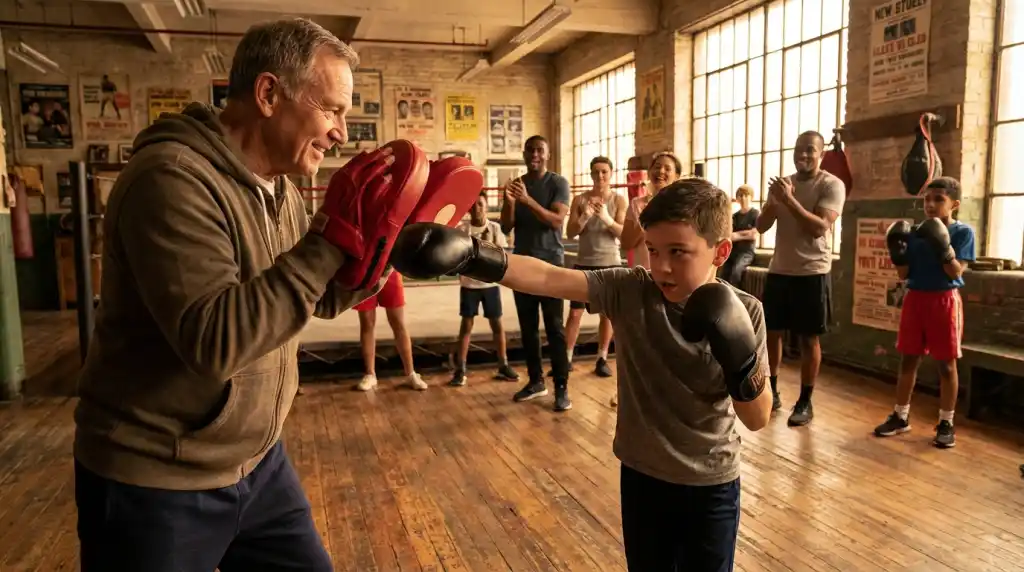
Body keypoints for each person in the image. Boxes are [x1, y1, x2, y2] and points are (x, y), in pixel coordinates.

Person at [71, 19, 399, 571]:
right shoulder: (171, 179)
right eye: (332, 110)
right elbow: (216, 341)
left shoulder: (281, 189)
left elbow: (313, 297)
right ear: (269, 94)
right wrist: (328, 240)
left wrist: (385, 251)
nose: (341, 131)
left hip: (257, 464)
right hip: (157, 477)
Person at [392, 179, 773, 571]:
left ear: (720, 252)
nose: (661, 266)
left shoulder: (748, 312)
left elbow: (757, 417)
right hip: (644, 477)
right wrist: (474, 255)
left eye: (678, 252)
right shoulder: (632, 289)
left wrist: (738, 351)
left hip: (712, 484)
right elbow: (547, 277)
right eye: (654, 250)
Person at [875, 177, 975, 448]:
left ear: (954, 204)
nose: (930, 205)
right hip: (915, 299)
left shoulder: (963, 233)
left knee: (946, 364)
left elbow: (956, 272)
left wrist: (942, 246)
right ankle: (900, 416)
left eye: (938, 200)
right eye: (927, 200)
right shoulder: (914, 233)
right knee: (908, 360)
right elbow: (904, 273)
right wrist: (898, 253)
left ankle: (946, 421)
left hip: (944, 301)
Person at [755, 130, 846, 425]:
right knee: (772, 334)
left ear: (821, 154)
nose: (803, 155)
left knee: (809, 339)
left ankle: (805, 401)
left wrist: (790, 200)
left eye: (810, 150)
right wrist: (773, 201)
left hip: (812, 272)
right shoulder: (784, 185)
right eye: (798, 150)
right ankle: (773, 391)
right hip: (780, 268)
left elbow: (819, 227)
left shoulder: (832, 184)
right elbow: (761, 225)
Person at [500, 135, 572, 412]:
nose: (534, 155)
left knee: (555, 328)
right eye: (530, 150)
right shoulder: (517, 185)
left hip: (551, 265)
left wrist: (527, 201)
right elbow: (507, 227)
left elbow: (556, 222)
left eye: (540, 150)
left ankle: (562, 387)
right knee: (528, 328)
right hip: (522, 264)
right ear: (524, 154)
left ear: (548, 154)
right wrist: (509, 202)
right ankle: (535, 381)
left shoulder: (557, 183)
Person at [563, 156, 626, 378]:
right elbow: (570, 233)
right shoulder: (580, 200)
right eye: (596, 172)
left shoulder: (619, 200)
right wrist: (585, 217)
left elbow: (623, 233)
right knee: (575, 313)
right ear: (591, 174)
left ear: (610, 173)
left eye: (604, 172)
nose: (600, 176)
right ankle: (567, 359)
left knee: (607, 315)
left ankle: (601, 358)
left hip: (610, 263)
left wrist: (606, 218)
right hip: (584, 263)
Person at [450, 191, 520, 386]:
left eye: (480, 205)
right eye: (473, 205)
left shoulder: (495, 228)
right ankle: (460, 368)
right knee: (466, 326)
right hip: (469, 285)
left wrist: (490, 245)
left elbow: (503, 257)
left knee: (497, 326)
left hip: (490, 285)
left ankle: (503, 365)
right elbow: (457, 257)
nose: (476, 209)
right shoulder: (462, 230)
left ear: (487, 206)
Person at [353, 271, 427, 391]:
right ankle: (370, 374)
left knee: (398, 322)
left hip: (390, 271)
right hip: (367, 272)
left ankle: (411, 373)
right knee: (367, 323)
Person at [621, 152, 683, 270]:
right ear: (649, 172)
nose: (661, 171)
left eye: (667, 168)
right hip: (643, 272)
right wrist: (646, 217)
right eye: (657, 167)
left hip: (672, 271)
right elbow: (626, 244)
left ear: (676, 176)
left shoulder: (681, 205)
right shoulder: (637, 204)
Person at [719, 185, 759, 287]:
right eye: (740, 196)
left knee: (736, 273)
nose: (743, 198)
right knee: (722, 274)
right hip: (733, 251)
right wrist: (746, 233)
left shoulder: (755, 213)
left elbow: (754, 235)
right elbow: (730, 235)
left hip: (747, 252)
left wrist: (738, 235)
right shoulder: (735, 216)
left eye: (746, 195)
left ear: (751, 197)